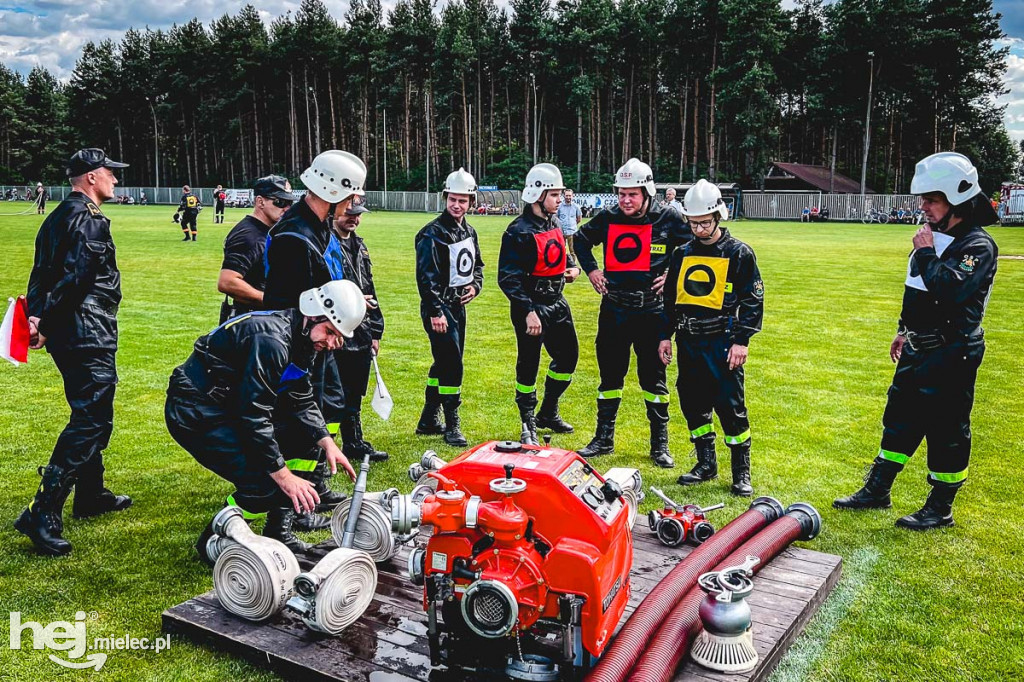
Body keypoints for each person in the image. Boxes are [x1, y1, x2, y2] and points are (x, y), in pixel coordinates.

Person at [834, 152, 999, 530]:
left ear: (956, 200)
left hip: (953, 350)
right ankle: (878, 490)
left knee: (947, 429)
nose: (922, 207)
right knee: (899, 419)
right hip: (918, 347)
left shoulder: (977, 246)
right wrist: (903, 328)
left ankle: (940, 507)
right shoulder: (932, 237)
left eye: (931, 199)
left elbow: (949, 289)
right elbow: (917, 291)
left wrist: (925, 251)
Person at [165, 281, 363, 560]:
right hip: (195, 411)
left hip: (227, 404)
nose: (331, 343)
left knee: (306, 439)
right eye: (330, 331)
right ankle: (214, 543)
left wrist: (326, 440)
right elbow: (254, 415)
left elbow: (299, 394)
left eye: (338, 337)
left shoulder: (302, 337)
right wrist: (283, 476)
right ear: (312, 314)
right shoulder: (271, 340)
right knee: (262, 485)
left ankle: (277, 530)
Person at [15, 148, 132, 557]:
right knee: (93, 416)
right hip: (88, 329)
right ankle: (43, 509)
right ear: (90, 179)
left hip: (70, 330)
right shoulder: (89, 220)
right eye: (110, 174)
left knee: (89, 408)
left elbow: (40, 274)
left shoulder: (56, 218)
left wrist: (38, 319)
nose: (116, 180)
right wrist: (45, 321)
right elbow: (76, 279)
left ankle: (91, 493)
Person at [264, 150, 367, 526]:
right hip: (298, 341)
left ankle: (314, 484)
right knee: (294, 421)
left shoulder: (317, 223)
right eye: (351, 192)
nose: (354, 201)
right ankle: (293, 508)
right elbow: (298, 302)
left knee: (329, 406)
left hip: (316, 336)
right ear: (334, 188)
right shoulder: (296, 234)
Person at [574, 158, 691, 468]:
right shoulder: (608, 217)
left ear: (647, 192)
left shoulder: (669, 218)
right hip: (614, 309)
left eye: (632, 194)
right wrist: (592, 270)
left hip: (653, 313)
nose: (626, 200)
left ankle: (660, 444)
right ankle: (603, 438)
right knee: (610, 376)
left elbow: (696, 248)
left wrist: (674, 274)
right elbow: (581, 240)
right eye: (621, 194)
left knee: (654, 380)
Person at [663, 180, 763, 497]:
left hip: (722, 342)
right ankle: (706, 463)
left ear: (718, 216)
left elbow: (752, 300)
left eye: (704, 222)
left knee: (731, 407)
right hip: (689, 341)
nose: (699, 228)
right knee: (693, 404)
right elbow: (669, 299)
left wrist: (741, 340)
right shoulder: (682, 254)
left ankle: (741, 473)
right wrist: (665, 336)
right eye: (693, 223)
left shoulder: (738, 253)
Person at [498, 163, 581, 445]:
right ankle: (527, 420)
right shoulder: (517, 231)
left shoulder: (554, 223)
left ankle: (548, 410)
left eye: (560, 194)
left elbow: (560, 255)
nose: (560, 199)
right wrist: (528, 311)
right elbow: (507, 278)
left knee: (568, 357)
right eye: (555, 195)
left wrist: (571, 268)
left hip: (557, 302)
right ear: (538, 195)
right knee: (529, 364)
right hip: (530, 307)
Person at [414, 167, 485, 447]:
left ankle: (429, 418)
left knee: (444, 361)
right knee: (452, 364)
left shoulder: (469, 230)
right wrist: (435, 311)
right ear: (446, 198)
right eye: (453, 199)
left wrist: (475, 286)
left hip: (458, 306)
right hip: (440, 307)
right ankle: (452, 423)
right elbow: (425, 276)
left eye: (463, 201)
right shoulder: (432, 233)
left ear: (471, 202)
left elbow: (477, 266)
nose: (457, 205)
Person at [331, 200, 388, 463]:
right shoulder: (326, 244)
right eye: (349, 214)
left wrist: (376, 330)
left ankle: (353, 441)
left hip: (362, 330)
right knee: (332, 393)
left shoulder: (359, 245)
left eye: (358, 215)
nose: (354, 219)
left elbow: (370, 288)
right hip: (334, 327)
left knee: (355, 390)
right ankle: (325, 446)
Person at [217, 175, 295, 324]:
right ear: (260, 202)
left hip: (265, 318)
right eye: (280, 202)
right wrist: (271, 300)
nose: (286, 208)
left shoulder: (268, 230)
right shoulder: (249, 235)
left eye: (289, 203)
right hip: (252, 321)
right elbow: (227, 281)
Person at [556, 188, 583, 259]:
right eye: (566, 195)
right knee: (561, 250)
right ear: (563, 196)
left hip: (572, 232)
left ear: (572, 196)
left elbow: (579, 219)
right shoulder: (559, 206)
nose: (568, 197)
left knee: (573, 251)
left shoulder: (576, 207)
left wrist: (572, 224)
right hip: (561, 232)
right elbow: (556, 218)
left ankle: (573, 266)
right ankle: (562, 265)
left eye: (569, 196)